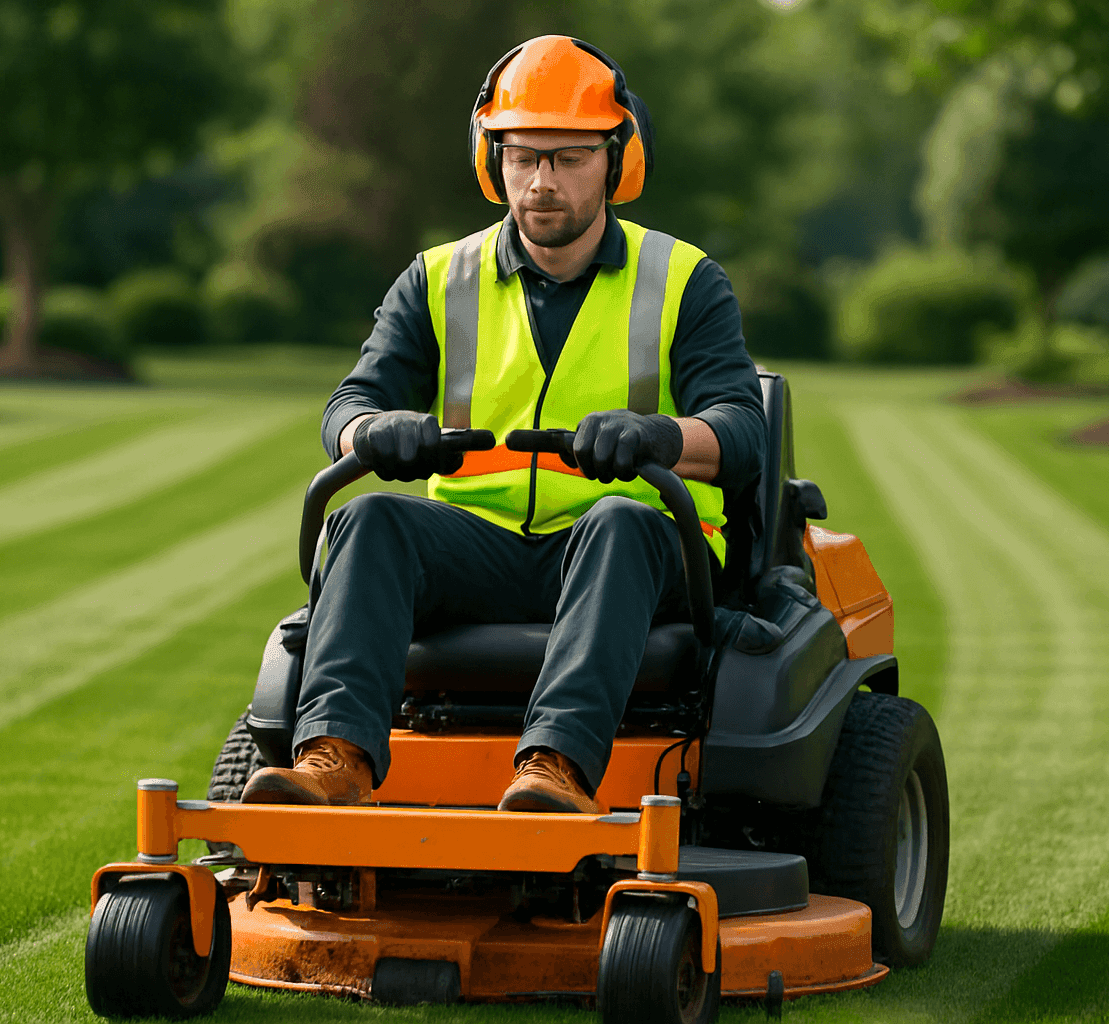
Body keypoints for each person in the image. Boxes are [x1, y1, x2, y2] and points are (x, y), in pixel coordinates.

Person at [241, 34, 764, 813]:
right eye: (522, 157)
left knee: (618, 521)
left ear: (617, 163)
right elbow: (347, 408)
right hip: (477, 549)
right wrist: (373, 433)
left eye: (569, 158)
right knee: (368, 518)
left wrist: (658, 437)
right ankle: (332, 760)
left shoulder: (685, 280)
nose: (542, 181)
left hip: (631, 552)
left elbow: (742, 430)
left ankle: (556, 769)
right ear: (493, 162)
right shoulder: (438, 278)